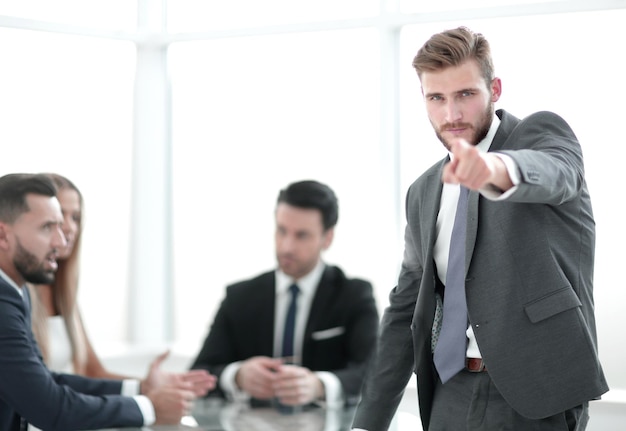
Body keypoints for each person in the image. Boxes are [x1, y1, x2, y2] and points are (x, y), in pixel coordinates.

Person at [352, 26, 608, 431]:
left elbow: (557, 174)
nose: (451, 114)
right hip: (448, 391)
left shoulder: (540, 136)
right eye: (437, 98)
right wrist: (369, 421)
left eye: (466, 95)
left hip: (535, 394)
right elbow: (405, 310)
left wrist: (494, 169)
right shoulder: (423, 191)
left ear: (495, 89)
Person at [0, 173, 215, 431]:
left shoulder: (15, 291)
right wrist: (149, 407)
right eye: (47, 227)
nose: (61, 239)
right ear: (3, 236)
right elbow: (51, 408)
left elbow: (46, 381)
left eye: (67, 222)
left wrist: (139, 388)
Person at [190, 180, 379, 409]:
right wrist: (238, 376)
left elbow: (374, 371)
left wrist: (318, 385)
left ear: (327, 238)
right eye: (281, 231)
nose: (286, 246)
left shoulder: (353, 295)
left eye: (302, 236)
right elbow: (198, 373)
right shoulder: (239, 297)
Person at [28, 173, 185, 379]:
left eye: (75, 217)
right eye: (59, 216)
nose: (69, 227)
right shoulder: (17, 293)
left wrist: (155, 386)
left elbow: (92, 371)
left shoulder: (64, 294)